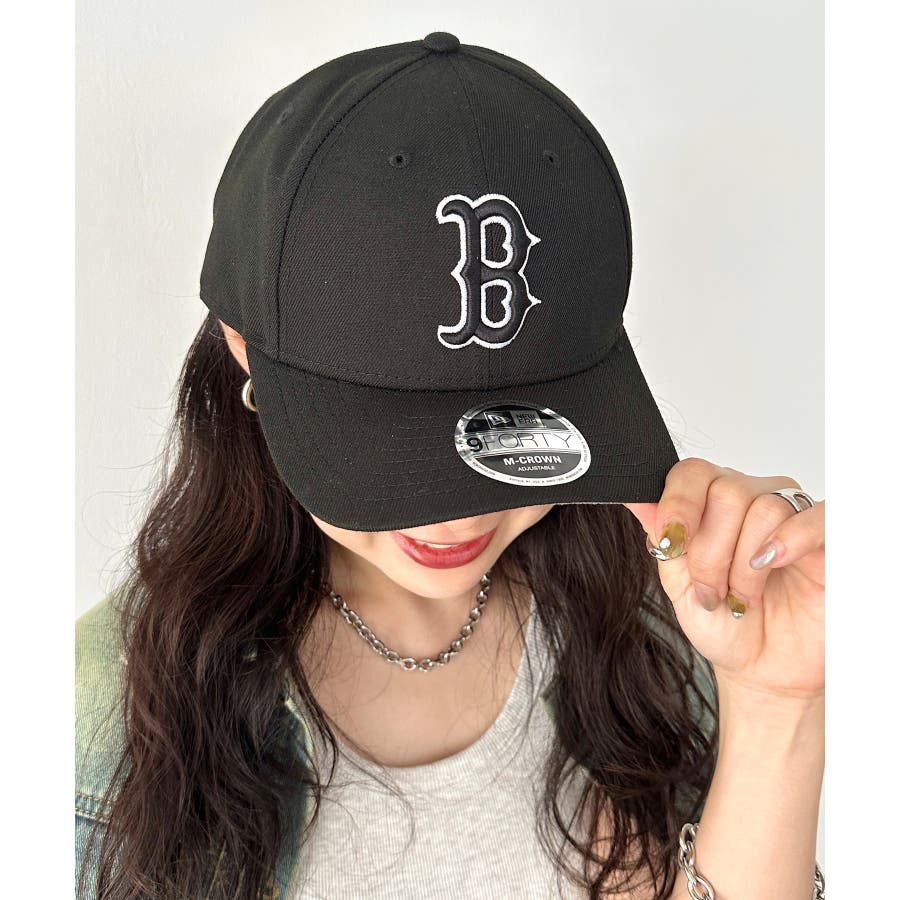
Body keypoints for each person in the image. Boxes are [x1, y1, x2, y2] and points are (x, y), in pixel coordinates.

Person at [75, 31, 825, 900]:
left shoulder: (659, 636)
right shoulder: (99, 724)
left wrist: (776, 702)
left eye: (515, 437)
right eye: (394, 445)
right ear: (243, 348)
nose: (460, 517)